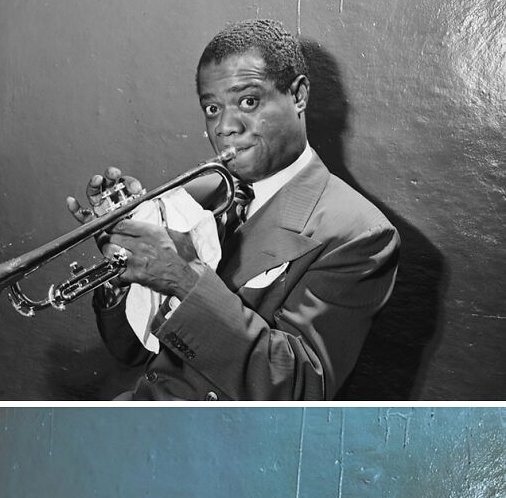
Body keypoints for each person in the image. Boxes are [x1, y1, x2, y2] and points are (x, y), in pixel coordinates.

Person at [66, 20, 400, 401]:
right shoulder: (196, 197)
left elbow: (299, 389)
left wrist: (181, 276)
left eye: (249, 101)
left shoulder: (360, 233)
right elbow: (132, 352)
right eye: (212, 108)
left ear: (299, 95)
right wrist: (123, 271)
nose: (224, 126)